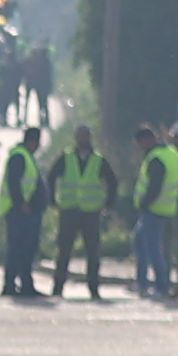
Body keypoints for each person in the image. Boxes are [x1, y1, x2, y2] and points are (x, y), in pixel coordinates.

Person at [50, 121, 116, 302]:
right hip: (69, 210)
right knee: (64, 250)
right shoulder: (66, 157)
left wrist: (108, 205)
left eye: (85, 136)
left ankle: (93, 289)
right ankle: (57, 288)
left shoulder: (98, 160)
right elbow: (51, 176)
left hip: (90, 213)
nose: (83, 140)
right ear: (76, 138)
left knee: (93, 253)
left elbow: (112, 181)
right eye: (80, 136)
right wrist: (53, 201)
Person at [0, 121, 47, 299]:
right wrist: (21, 203)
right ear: (33, 141)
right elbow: (13, 183)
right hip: (19, 212)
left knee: (26, 250)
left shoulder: (25, 156)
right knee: (18, 249)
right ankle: (10, 285)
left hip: (25, 211)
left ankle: (25, 285)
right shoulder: (19, 156)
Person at [122, 121, 175, 297]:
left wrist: (145, 203)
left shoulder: (155, 158)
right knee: (139, 242)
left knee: (153, 249)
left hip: (154, 209)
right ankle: (142, 283)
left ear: (146, 140)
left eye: (139, 143)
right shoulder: (164, 153)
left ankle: (161, 286)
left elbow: (155, 185)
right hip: (159, 207)